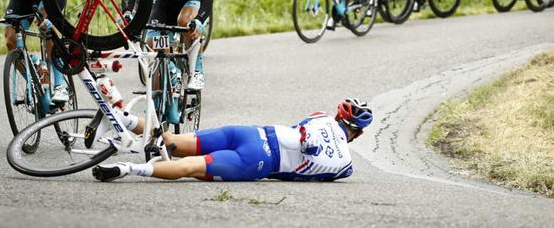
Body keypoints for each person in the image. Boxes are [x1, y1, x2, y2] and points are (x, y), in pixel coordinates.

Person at [92, 98, 373, 182]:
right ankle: (128, 169)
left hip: (252, 132)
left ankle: (120, 118)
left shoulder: (320, 116)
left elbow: (299, 129)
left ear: (338, 116)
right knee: (190, 167)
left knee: (170, 140)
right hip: (260, 161)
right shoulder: (345, 166)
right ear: (357, 134)